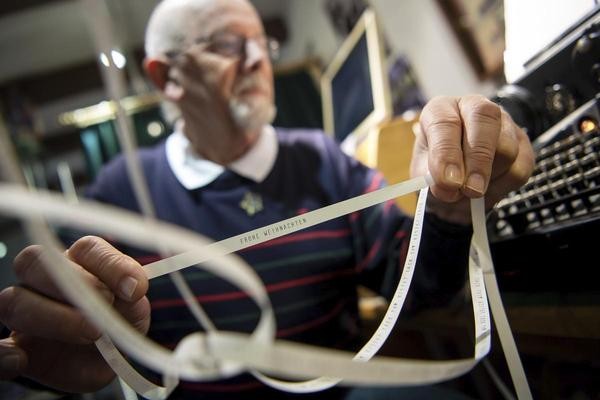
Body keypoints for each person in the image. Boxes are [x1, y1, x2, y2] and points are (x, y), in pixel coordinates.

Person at [0, 0, 534, 398]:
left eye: (262, 42)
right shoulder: (119, 194)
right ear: (166, 76)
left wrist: (446, 209)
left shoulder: (323, 159)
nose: (258, 60)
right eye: (229, 45)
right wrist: (61, 337)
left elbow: (413, 285)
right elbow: (54, 327)